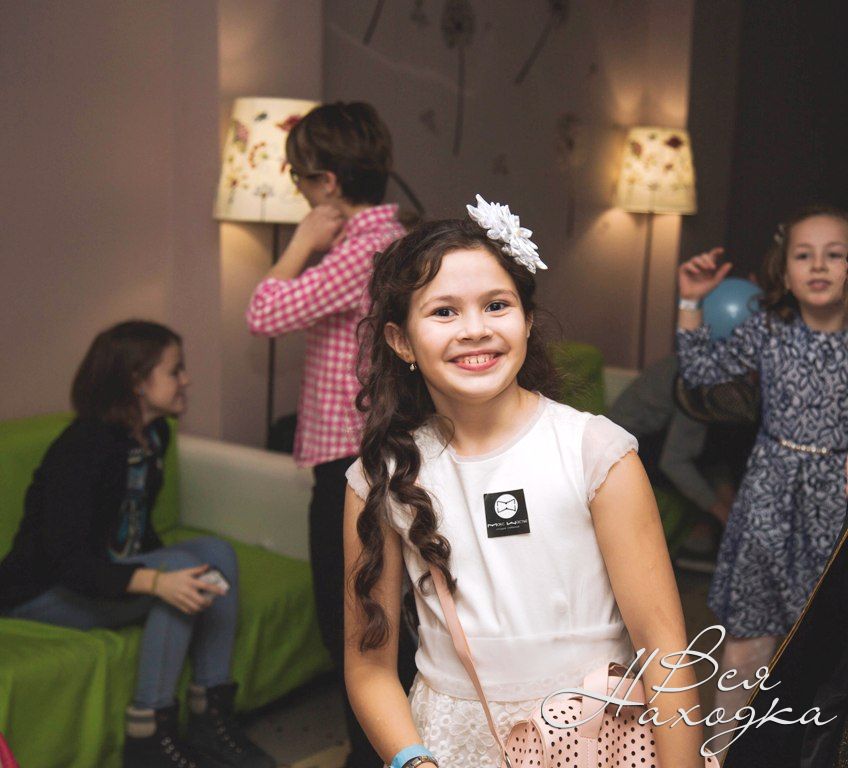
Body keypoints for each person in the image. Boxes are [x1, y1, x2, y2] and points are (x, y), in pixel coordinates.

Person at [342, 198, 706, 768]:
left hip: (598, 738)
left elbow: (665, 649)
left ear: (527, 320)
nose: (476, 330)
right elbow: (369, 666)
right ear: (401, 340)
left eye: (497, 305)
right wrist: (414, 760)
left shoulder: (596, 453)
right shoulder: (379, 478)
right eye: (444, 312)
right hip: (452, 745)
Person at [0, 321, 274, 768]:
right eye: (175, 370)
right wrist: (155, 581)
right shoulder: (82, 447)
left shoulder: (154, 435)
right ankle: (147, 734)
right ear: (136, 382)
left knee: (215, 555)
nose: (186, 380)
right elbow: (67, 560)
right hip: (43, 591)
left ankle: (210, 716)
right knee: (178, 578)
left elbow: (135, 529)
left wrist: (159, 571)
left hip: (104, 573)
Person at [245, 101, 413, 768]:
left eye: (299, 178)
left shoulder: (359, 250)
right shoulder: (387, 238)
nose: (298, 191)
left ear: (328, 182)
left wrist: (301, 240)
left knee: (352, 625)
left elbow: (264, 312)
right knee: (377, 619)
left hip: (352, 460)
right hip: (372, 453)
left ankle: (373, 756)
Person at [676, 204, 848, 753]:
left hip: (836, 505)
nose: (818, 265)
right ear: (785, 270)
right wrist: (690, 301)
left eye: (834, 254)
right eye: (804, 255)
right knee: (748, 643)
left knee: (821, 651)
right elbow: (701, 371)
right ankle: (720, 755)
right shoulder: (769, 328)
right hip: (768, 498)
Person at [607, 354, 740, 572]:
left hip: (650, 436)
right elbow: (673, 461)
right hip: (625, 446)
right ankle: (706, 532)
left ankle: (721, 529)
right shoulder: (700, 383)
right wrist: (721, 511)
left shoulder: (712, 364)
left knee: (722, 444)